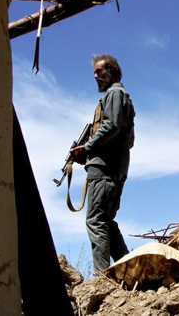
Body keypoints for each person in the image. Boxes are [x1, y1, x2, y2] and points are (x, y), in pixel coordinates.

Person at [70, 54, 135, 275]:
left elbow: (112, 125)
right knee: (106, 220)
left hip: (106, 169)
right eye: (95, 72)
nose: (96, 76)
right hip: (114, 168)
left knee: (96, 220)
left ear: (113, 70)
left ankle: (102, 277)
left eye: (100, 71)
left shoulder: (114, 94)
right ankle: (127, 271)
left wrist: (87, 147)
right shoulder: (121, 96)